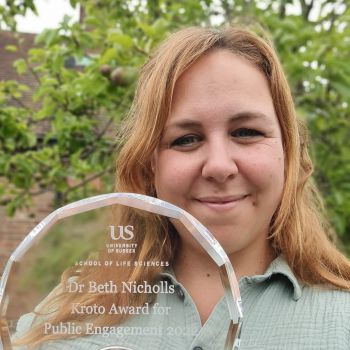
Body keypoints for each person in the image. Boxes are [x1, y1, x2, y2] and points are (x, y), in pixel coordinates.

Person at [14, 25, 350, 350]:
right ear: (149, 167)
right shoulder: (59, 322)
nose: (219, 166)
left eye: (246, 132)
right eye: (185, 139)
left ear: (287, 153)